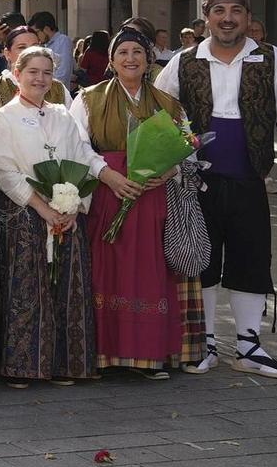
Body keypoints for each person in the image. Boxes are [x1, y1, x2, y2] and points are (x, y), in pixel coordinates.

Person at [156, 0, 277, 378]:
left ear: (248, 17)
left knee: (250, 258)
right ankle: (205, 342)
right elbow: (160, 115)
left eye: (236, 11)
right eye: (220, 11)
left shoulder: (272, 59)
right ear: (207, 16)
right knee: (203, 259)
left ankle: (249, 346)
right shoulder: (184, 60)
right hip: (197, 183)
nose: (228, 19)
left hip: (249, 178)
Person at [0, 47, 133, 385]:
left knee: (66, 289)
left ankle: (63, 364)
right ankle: (23, 365)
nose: (39, 79)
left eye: (46, 72)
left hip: (66, 214)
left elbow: (81, 156)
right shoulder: (4, 118)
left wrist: (72, 205)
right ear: (17, 73)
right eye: (32, 72)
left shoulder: (62, 114)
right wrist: (42, 207)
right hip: (25, 214)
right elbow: (4, 169)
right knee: (29, 289)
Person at [71, 28, 196, 377]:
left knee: (148, 272)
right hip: (108, 193)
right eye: (123, 52)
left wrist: (169, 170)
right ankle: (104, 353)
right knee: (106, 270)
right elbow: (77, 144)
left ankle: (147, 353)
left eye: (137, 52)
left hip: (151, 197)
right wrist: (105, 174)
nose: (130, 58)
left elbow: (187, 146)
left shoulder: (168, 103)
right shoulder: (87, 99)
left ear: (148, 59)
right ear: (111, 60)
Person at [0, 25, 66, 107]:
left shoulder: (58, 89)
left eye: (35, 47)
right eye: (22, 47)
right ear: (7, 54)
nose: (30, 52)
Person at [30, 11, 74, 93]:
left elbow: (62, 74)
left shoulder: (63, 41)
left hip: (58, 95)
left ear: (46, 29)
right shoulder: (43, 45)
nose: (35, 36)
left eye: (36, 32)